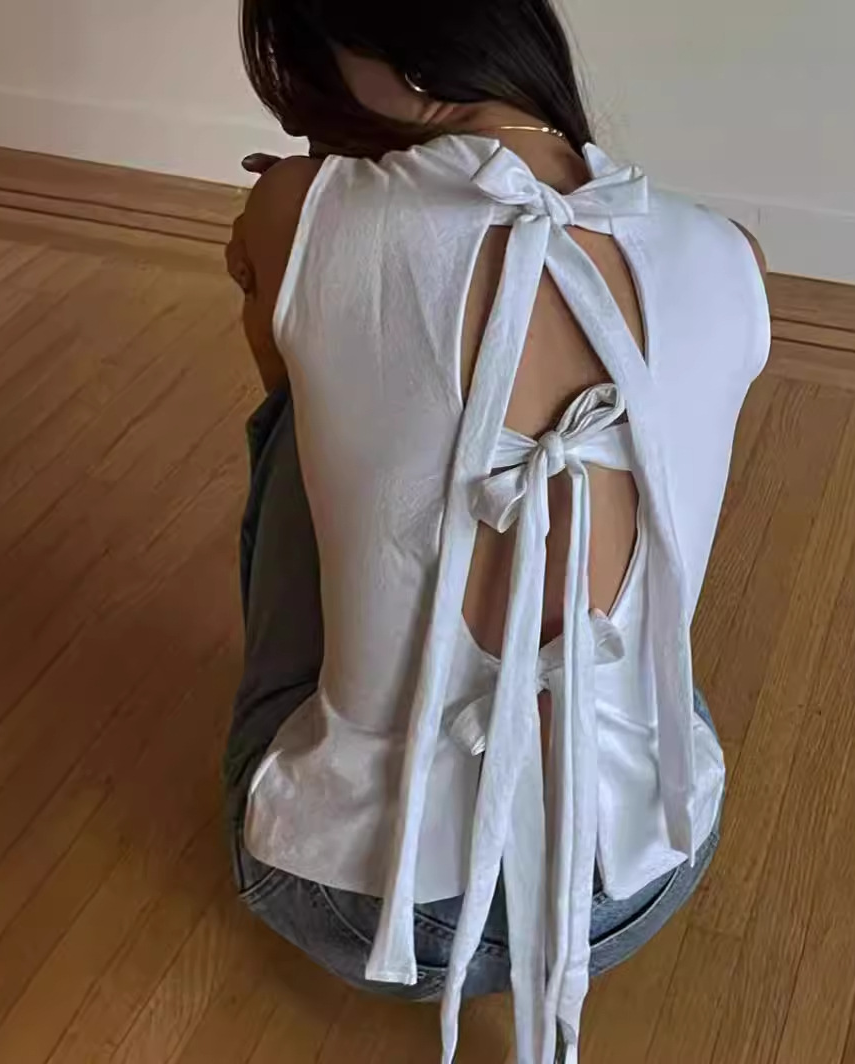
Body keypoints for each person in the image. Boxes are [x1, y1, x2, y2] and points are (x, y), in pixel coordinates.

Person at [223, 3, 769, 1061]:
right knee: (625, 584)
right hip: (638, 878)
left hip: (354, 903)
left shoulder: (297, 207)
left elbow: (290, 396)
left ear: (364, 50)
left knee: (305, 417)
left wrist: (293, 238)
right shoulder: (729, 255)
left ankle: (365, 767)